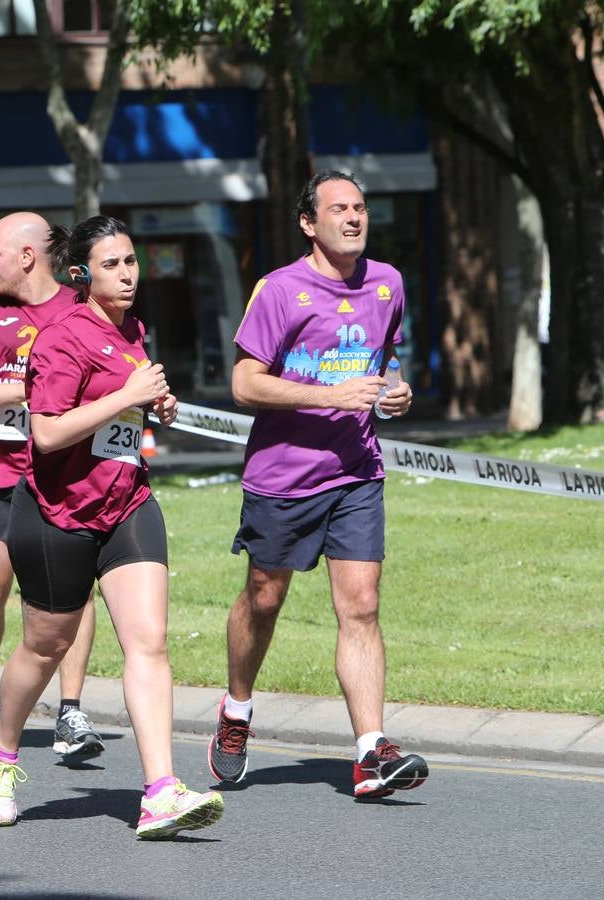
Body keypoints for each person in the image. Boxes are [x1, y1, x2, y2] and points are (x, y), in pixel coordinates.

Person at [0, 215, 224, 840]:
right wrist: (127, 396)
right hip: (58, 512)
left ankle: (161, 790)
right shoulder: (61, 337)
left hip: (127, 501)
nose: (129, 273)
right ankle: (0, 753)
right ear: (82, 274)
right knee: (46, 645)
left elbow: (124, 409)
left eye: (132, 261)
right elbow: (49, 432)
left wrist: (152, 405)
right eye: (113, 264)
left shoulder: (132, 328)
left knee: (150, 639)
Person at [209, 170, 429, 800]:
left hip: (356, 471)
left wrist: (395, 389)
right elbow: (246, 383)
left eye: (360, 207)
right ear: (310, 223)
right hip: (284, 476)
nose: (353, 218)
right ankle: (236, 711)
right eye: (339, 209)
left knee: (360, 606)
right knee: (264, 597)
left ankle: (369, 753)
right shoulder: (279, 290)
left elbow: (384, 361)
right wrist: (326, 396)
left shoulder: (388, 284)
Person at [0, 212, 103, 760]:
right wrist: (28, 391)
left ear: (26, 257)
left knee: (73, 594)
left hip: (64, 477)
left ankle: (71, 711)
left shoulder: (79, 309)